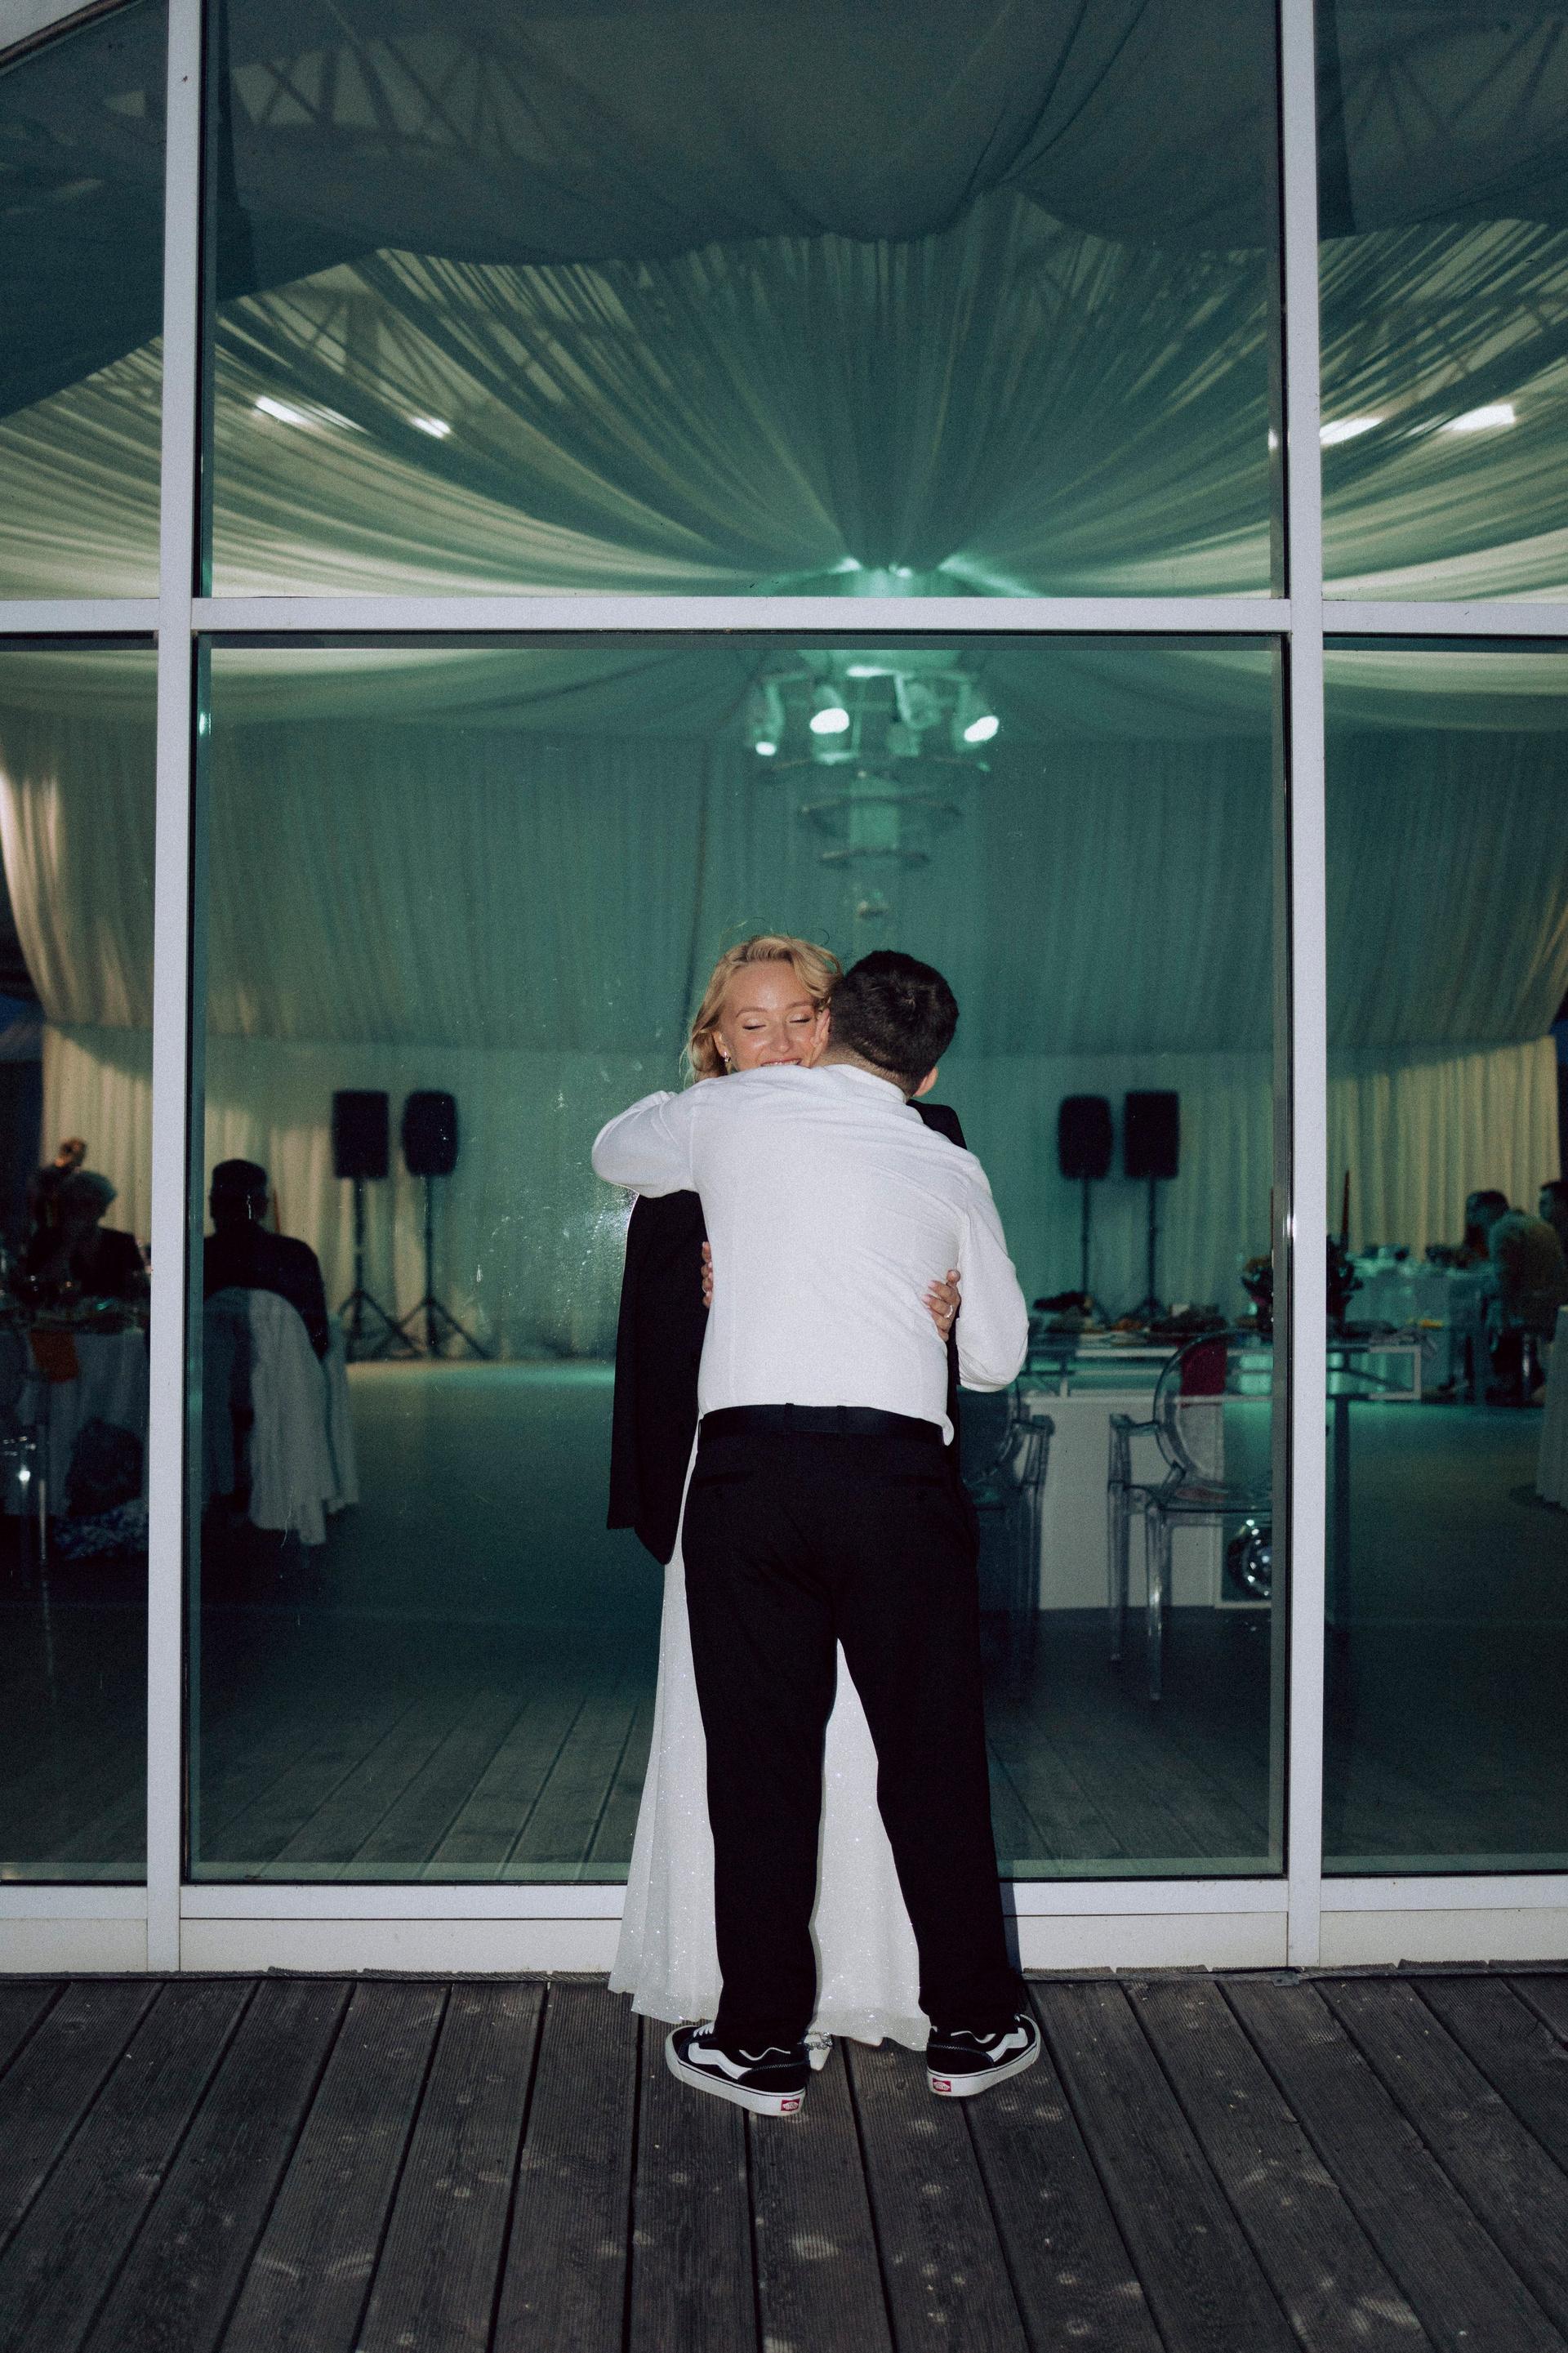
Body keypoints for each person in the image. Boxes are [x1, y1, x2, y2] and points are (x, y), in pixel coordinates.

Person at [595, 948, 1036, 2119]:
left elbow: (615, 1152)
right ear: (927, 1072)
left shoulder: (725, 1116)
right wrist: (945, 1303)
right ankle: (973, 2027)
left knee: (760, 1770)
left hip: (750, 1477)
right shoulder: (946, 1160)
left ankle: (761, 2045)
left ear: (825, 1023)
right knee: (932, 1759)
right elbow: (996, 1358)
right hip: (896, 1482)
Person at [203, 1159, 329, 1357]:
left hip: (211, 1375)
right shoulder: (297, 1256)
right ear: (263, 1206)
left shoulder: (193, 1260)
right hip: (288, 1373)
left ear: (212, 1205)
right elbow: (319, 1340)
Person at [19, 1165, 145, 1302]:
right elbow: (36, 1286)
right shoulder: (45, 1240)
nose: (79, 1210)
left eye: (87, 1203)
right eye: (72, 1203)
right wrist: (68, 1244)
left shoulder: (122, 1242)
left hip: (114, 1314)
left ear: (102, 1208)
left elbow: (140, 1288)